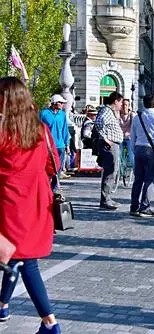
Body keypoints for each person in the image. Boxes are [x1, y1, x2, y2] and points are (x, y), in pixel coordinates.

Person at [0, 77, 61, 333]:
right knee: (20, 256)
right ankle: (2, 304)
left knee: (23, 259)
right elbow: (54, 165)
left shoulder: (2, 131)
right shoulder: (39, 130)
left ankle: (50, 322)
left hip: (9, 202)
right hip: (36, 202)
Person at [129, 94, 154, 217]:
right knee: (149, 179)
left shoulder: (137, 117)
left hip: (138, 148)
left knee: (138, 180)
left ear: (144, 103)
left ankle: (134, 206)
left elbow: (132, 135)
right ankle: (145, 207)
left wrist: (134, 149)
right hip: (151, 150)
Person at [94, 91, 124, 210]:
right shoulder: (106, 111)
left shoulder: (111, 112)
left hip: (113, 144)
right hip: (110, 146)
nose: (121, 105)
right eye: (121, 102)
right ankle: (105, 199)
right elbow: (98, 123)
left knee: (113, 171)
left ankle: (108, 197)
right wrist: (105, 139)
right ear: (115, 101)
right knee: (110, 171)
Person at [39, 94, 71, 182]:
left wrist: (67, 144)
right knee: (48, 168)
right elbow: (38, 128)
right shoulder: (44, 113)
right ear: (55, 103)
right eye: (61, 103)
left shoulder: (62, 114)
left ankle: (54, 189)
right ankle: (47, 186)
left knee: (58, 168)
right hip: (47, 145)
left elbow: (65, 130)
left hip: (60, 146)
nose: (63, 104)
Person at [119, 98, 136, 172]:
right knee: (118, 155)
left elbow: (134, 127)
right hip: (119, 138)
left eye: (126, 105)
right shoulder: (117, 114)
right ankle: (120, 171)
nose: (124, 106)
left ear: (129, 106)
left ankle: (135, 171)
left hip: (129, 137)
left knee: (131, 156)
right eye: (122, 105)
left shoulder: (132, 115)